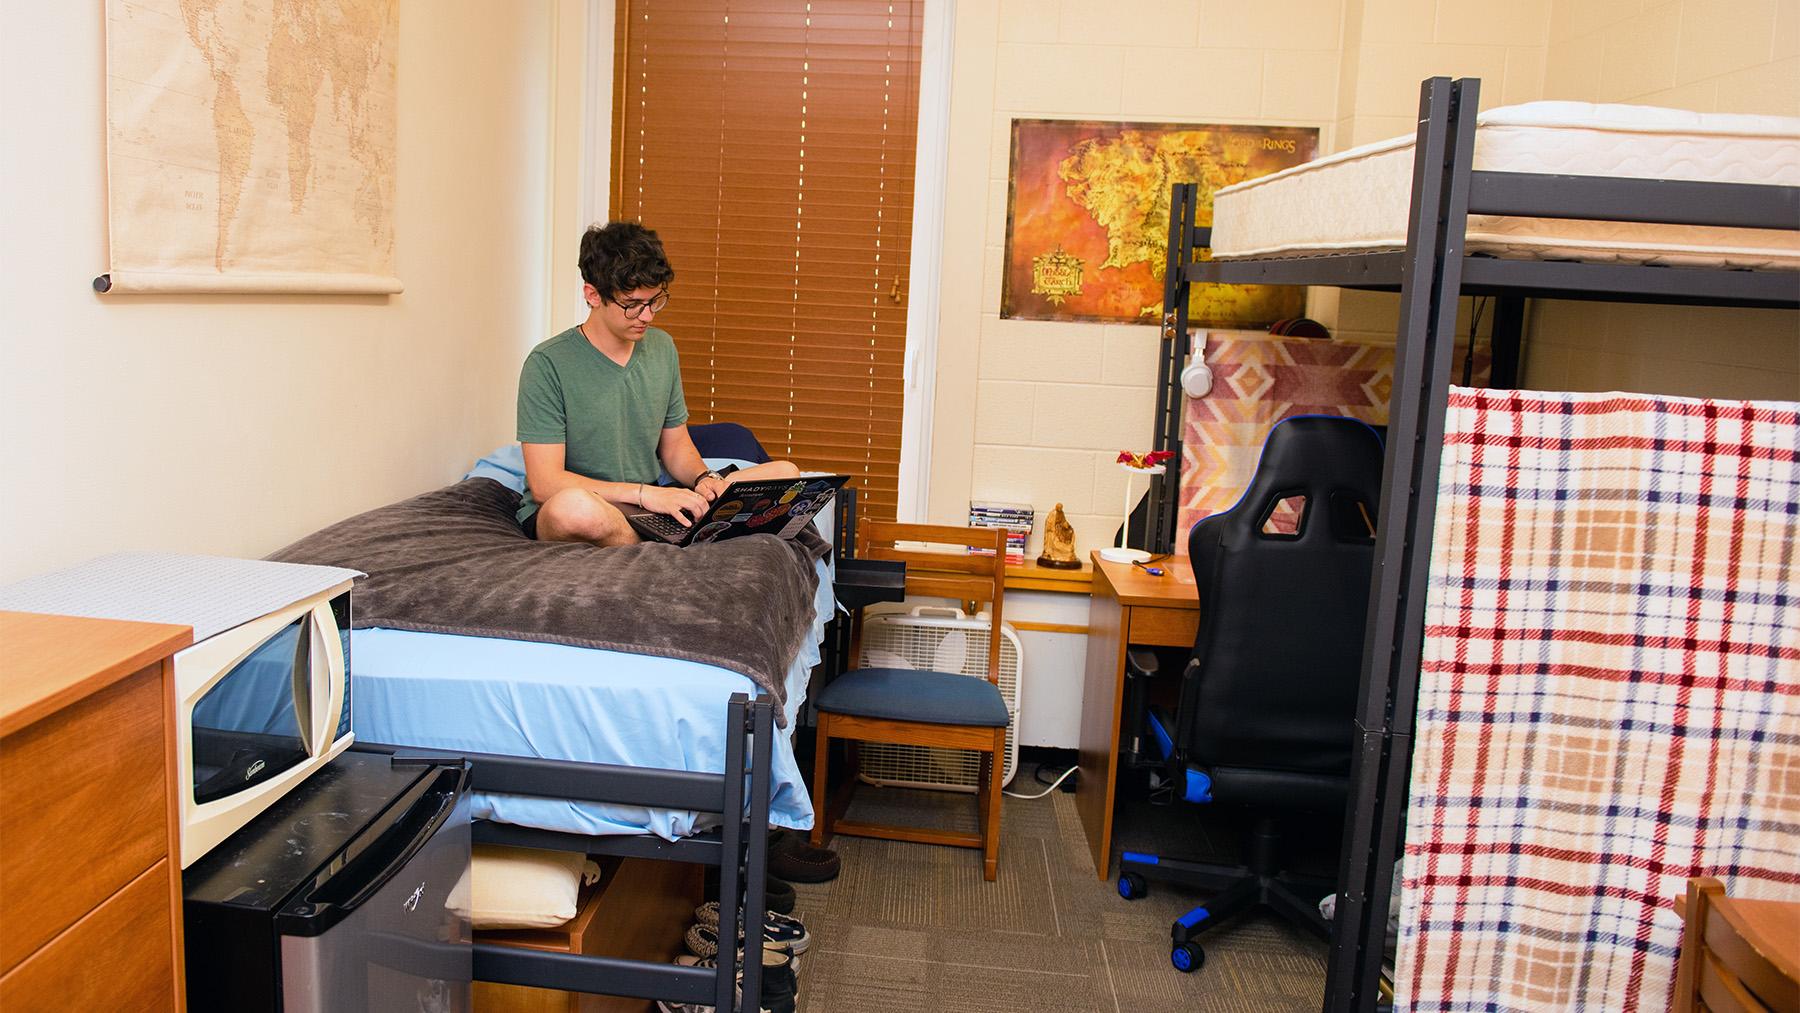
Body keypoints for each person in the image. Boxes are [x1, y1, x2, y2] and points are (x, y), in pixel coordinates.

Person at [516, 221, 799, 546]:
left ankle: (672, 538)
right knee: (574, 509)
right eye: (633, 305)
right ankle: (659, 549)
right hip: (594, 504)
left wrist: (703, 478)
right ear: (592, 295)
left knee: (786, 472)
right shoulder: (548, 363)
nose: (647, 316)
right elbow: (545, 483)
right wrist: (642, 495)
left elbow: (675, 445)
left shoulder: (662, 348)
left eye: (655, 301)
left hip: (650, 506)